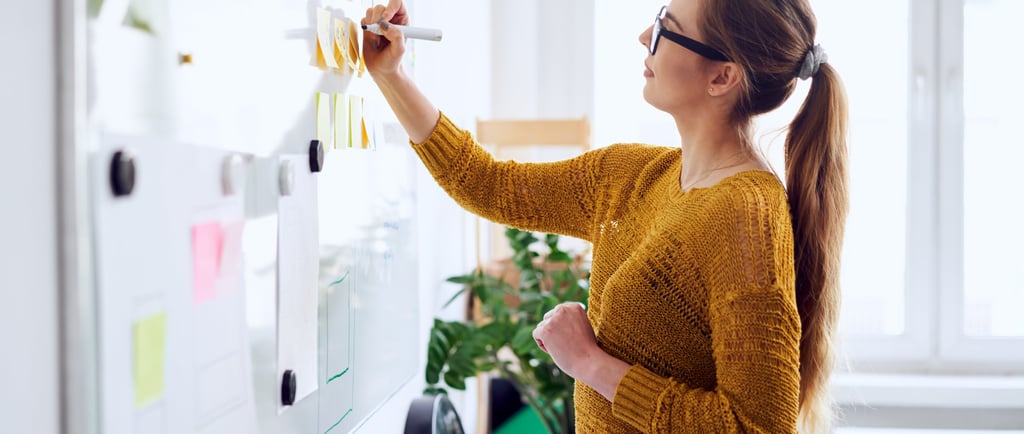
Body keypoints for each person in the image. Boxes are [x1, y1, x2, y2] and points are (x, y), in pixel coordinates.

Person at [363, 0, 848, 432]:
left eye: (665, 28)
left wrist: (592, 365)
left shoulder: (745, 217)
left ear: (723, 76)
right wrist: (392, 76)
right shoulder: (634, 176)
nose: (644, 38)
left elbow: (757, 427)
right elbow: (490, 185)